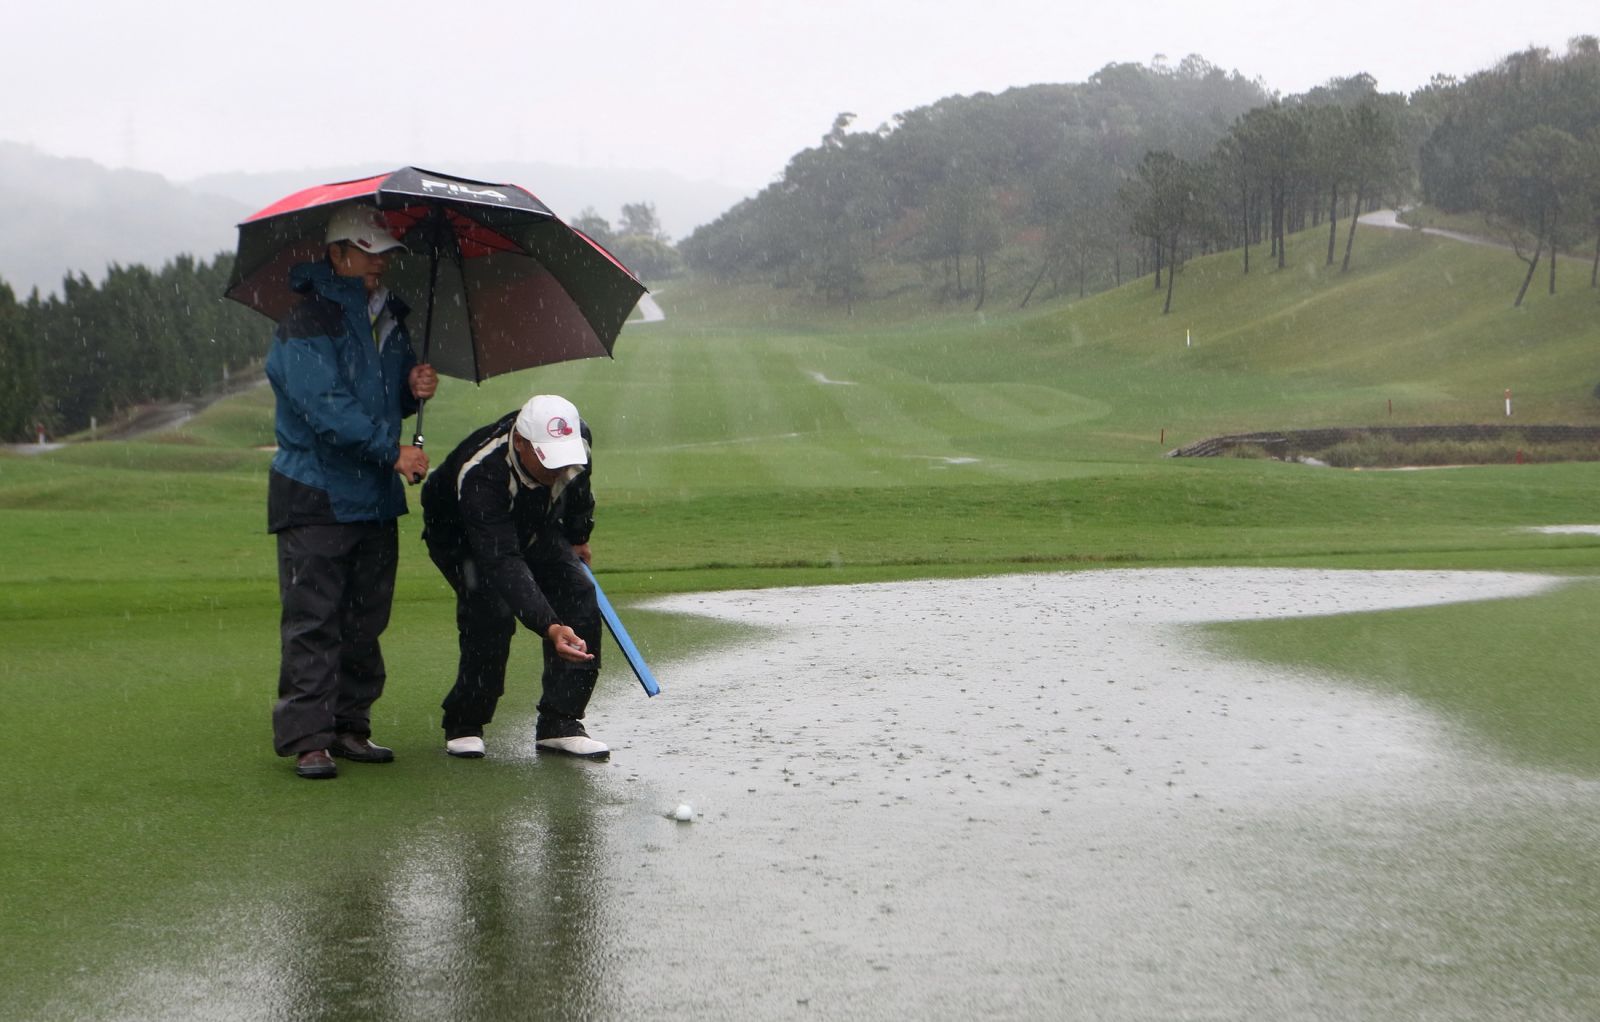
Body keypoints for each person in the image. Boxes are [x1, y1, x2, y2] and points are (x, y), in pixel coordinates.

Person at [265, 202, 438, 780]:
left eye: (384, 254)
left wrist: (414, 388)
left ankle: (349, 727)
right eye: (367, 252)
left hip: (373, 498)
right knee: (314, 619)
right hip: (315, 495)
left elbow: (380, 399)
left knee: (366, 620)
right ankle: (308, 738)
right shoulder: (306, 321)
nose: (379, 264)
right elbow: (325, 409)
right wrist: (394, 453)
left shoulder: (389, 319)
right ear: (336, 254)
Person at [420, 393, 609, 760]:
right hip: (462, 535)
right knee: (491, 611)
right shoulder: (482, 475)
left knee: (579, 593)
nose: (557, 468)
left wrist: (578, 534)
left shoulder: (576, 439)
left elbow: (579, 485)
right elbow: (503, 561)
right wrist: (550, 627)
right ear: (520, 444)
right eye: (547, 459)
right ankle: (465, 721)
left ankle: (560, 722)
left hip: (535, 519)